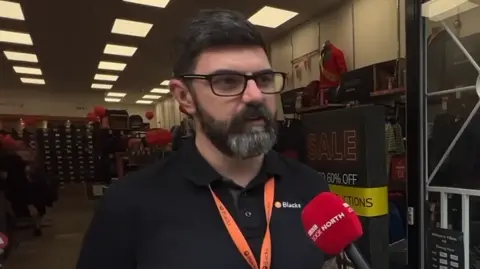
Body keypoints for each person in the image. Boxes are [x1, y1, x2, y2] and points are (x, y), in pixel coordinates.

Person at [77, 9, 330, 269]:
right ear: (184, 97)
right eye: (228, 82)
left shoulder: (311, 187)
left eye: (264, 79)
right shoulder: (128, 203)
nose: (256, 95)